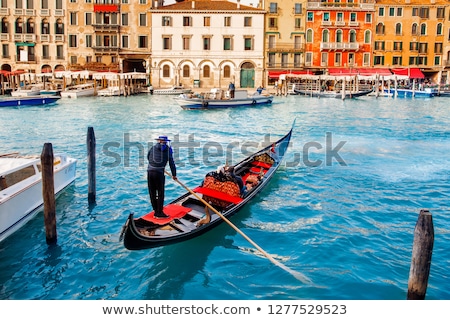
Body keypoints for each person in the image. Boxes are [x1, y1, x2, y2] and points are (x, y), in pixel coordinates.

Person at [147, 135, 177, 218]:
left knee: (152, 192)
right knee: (160, 193)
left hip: (150, 171)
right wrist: (174, 175)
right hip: (159, 173)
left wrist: (156, 165)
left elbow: (148, 157)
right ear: (166, 142)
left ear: (159, 141)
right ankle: (159, 213)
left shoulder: (153, 148)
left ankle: (155, 211)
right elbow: (171, 163)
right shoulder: (168, 149)